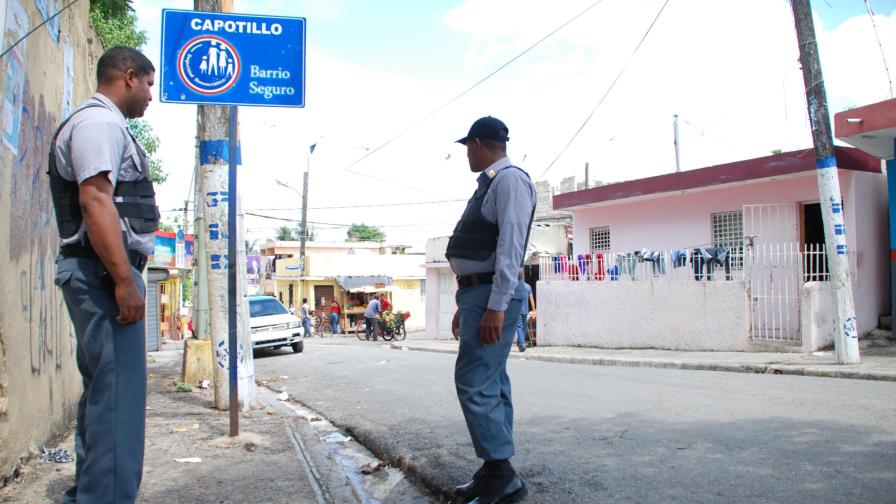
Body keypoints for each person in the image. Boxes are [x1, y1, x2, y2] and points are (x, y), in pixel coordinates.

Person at [49, 46, 159, 504]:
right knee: (118, 404)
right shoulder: (99, 124)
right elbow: (96, 201)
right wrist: (123, 281)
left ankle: (91, 493)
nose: (151, 95)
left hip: (98, 274)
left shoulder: (103, 125)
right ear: (129, 77)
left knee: (103, 395)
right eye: (149, 84)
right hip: (101, 276)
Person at [447, 116, 536, 504]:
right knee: (492, 382)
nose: (467, 153)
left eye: (468, 146)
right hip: (478, 295)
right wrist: (463, 301)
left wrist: (496, 306)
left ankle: (502, 474)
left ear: (479, 144)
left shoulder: (510, 179)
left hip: (490, 296)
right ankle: (494, 471)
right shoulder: (492, 182)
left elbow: (511, 247)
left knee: (474, 382)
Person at [514, 280, 535, 352]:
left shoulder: (515, 286)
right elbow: (531, 299)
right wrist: (534, 311)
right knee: (523, 327)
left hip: (517, 310)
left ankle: (521, 343)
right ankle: (521, 343)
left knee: (520, 327)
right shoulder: (528, 286)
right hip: (525, 310)